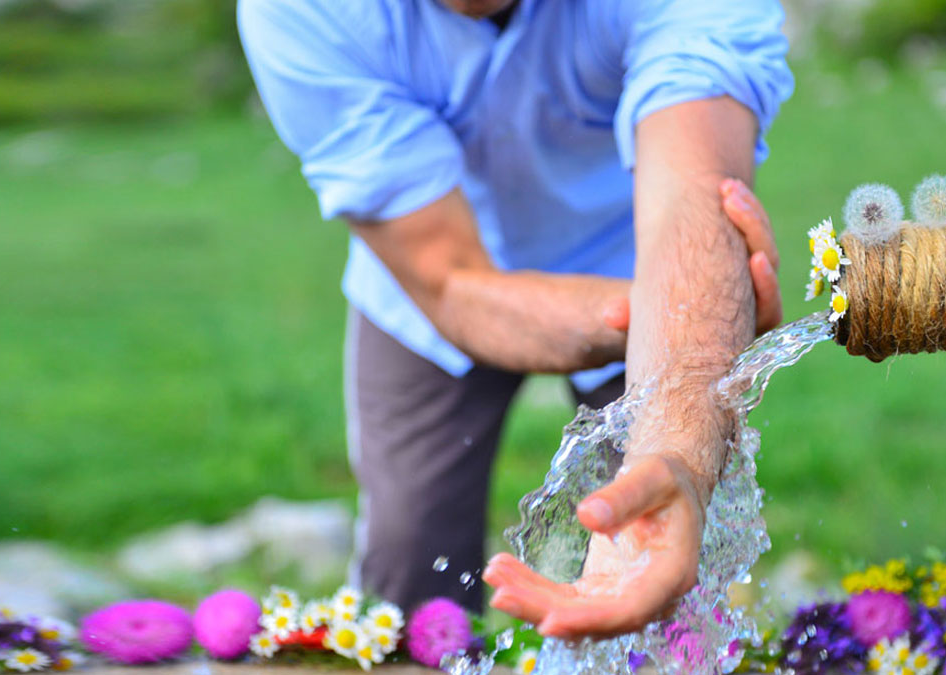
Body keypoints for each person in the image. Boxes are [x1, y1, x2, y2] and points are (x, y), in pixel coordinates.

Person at [238, 0, 793, 639]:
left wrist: (690, 337)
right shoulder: (304, 11)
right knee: (409, 570)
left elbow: (694, 191)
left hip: (640, 254)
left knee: (663, 558)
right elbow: (450, 282)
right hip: (427, 287)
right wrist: (686, 315)